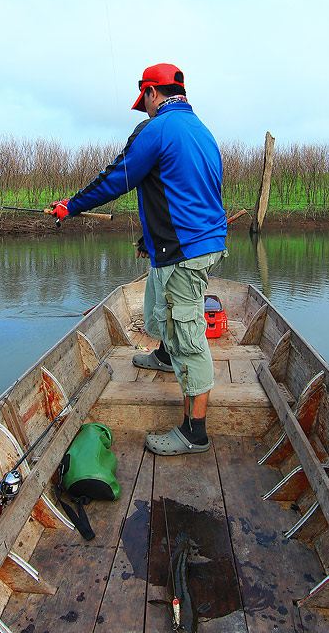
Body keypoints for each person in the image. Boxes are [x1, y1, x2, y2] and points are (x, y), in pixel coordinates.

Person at [51, 63, 227, 455]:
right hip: (190, 245)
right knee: (155, 307)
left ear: (151, 92)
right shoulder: (201, 130)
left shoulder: (158, 129)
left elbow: (118, 177)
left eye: (143, 102)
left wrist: (72, 206)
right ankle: (166, 355)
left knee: (191, 339)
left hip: (186, 251)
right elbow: (184, 192)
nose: (143, 110)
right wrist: (151, 239)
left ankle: (194, 431)